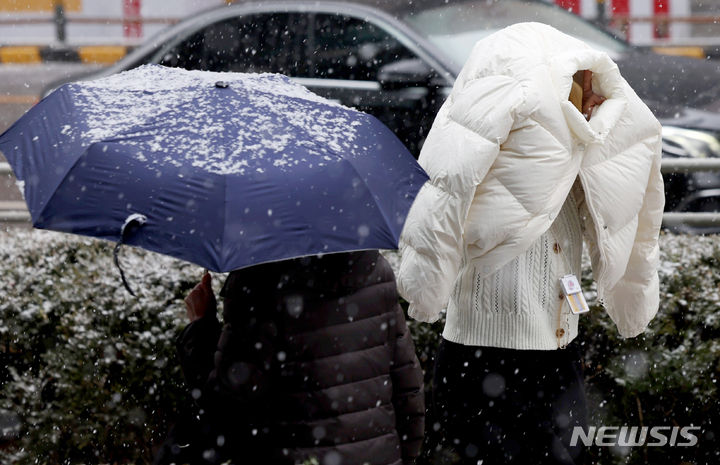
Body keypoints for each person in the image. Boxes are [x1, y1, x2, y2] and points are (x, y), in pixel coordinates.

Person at [396, 23, 664, 464]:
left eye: (592, 89)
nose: (591, 100)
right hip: (484, 350)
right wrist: (426, 292)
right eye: (582, 89)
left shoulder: (604, 119)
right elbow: (445, 187)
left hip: (559, 346)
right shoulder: (507, 82)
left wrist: (632, 298)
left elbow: (637, 199)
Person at [155, 250, 425, 465]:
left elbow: (225, 409)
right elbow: (408, 388)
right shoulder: (374, 270)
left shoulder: (256, 284)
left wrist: (200, 327)